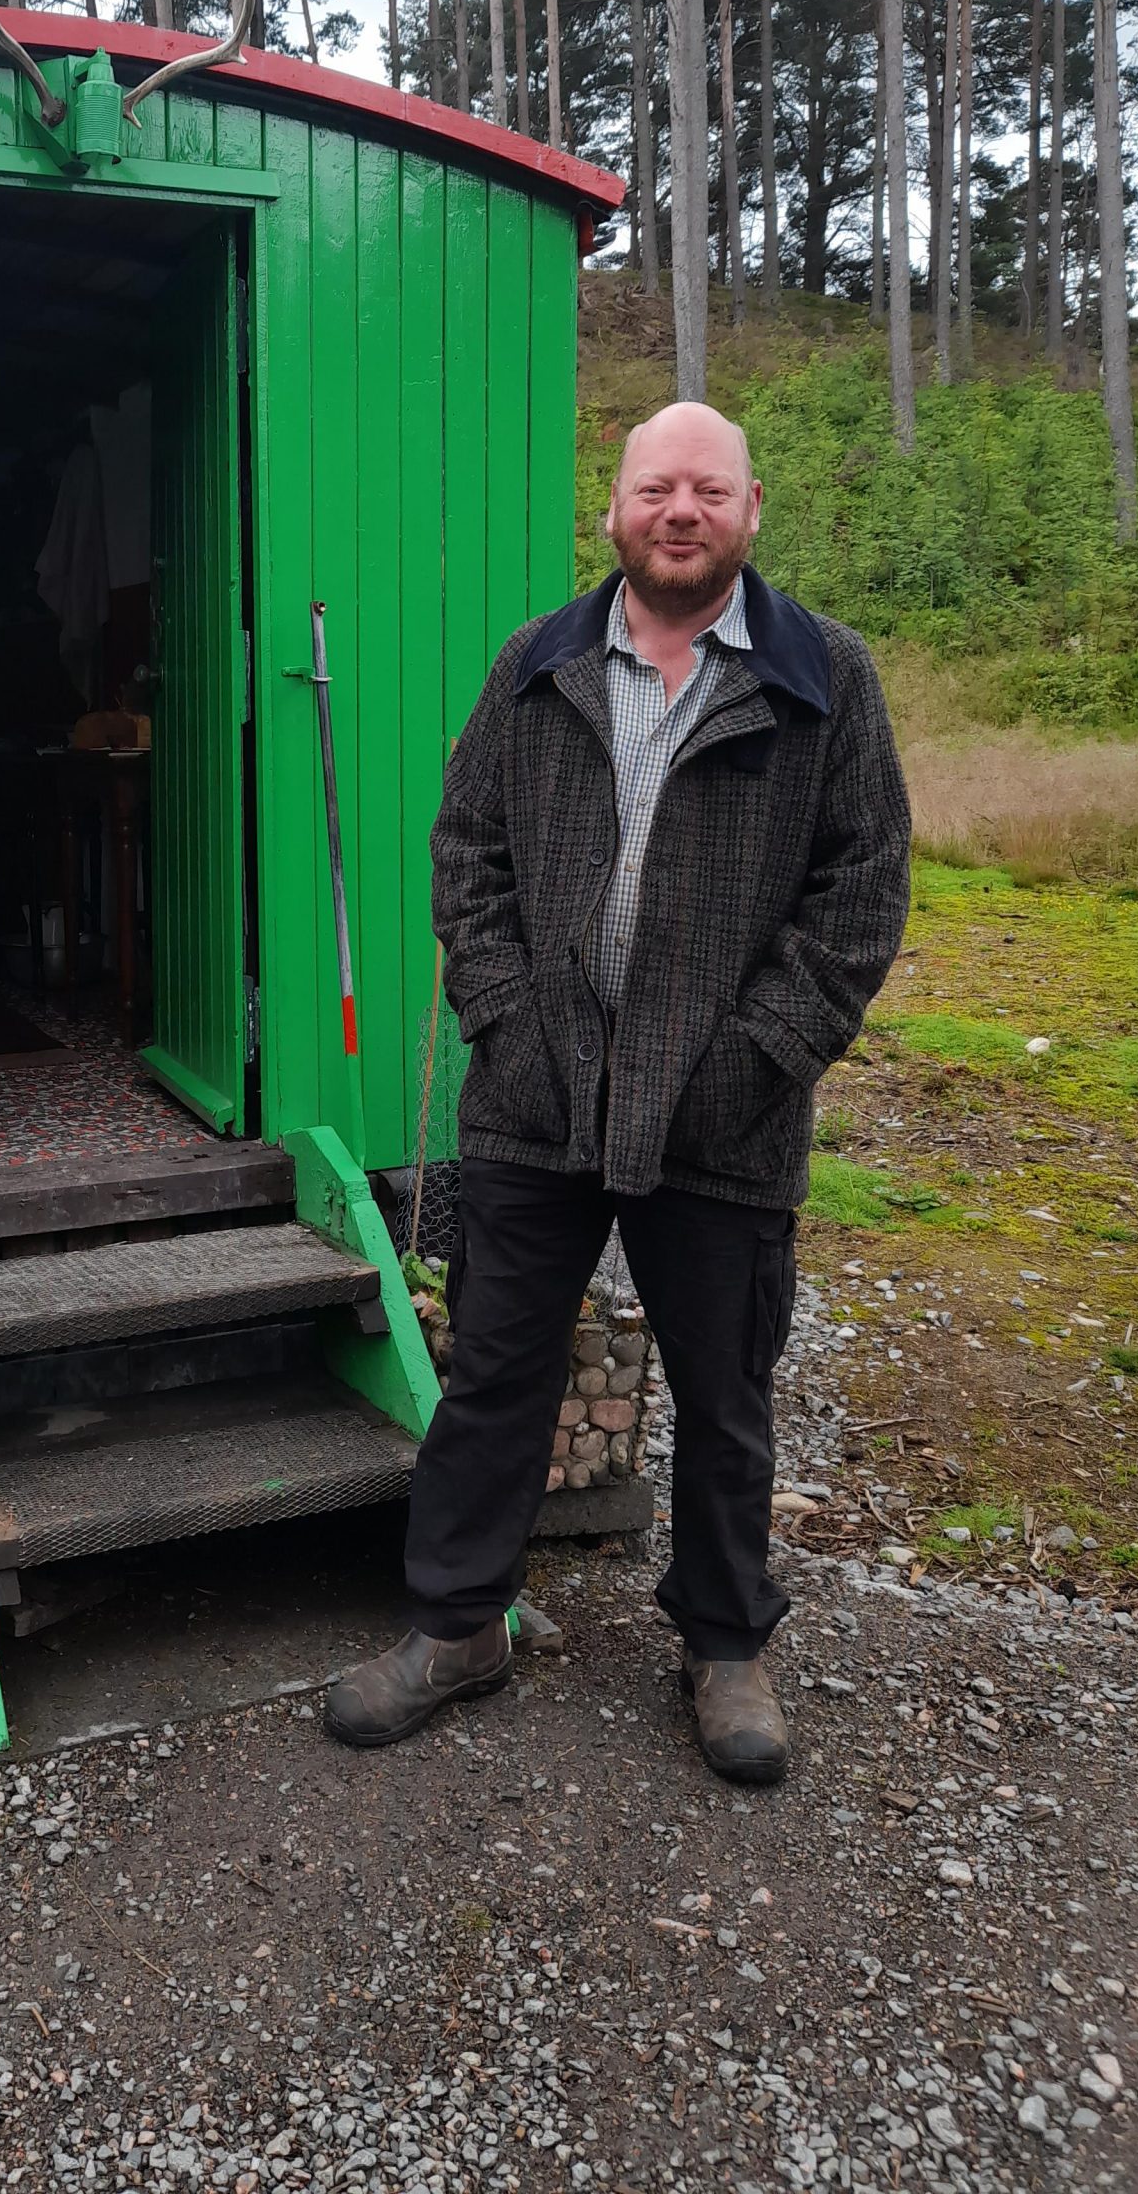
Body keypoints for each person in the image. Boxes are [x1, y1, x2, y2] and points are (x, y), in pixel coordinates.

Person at [325, 401, 911, 1782]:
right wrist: (506, 1027)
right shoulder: (538, 665)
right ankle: (459, 1625)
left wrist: (753, 1064)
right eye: (657, 488)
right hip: (540, 1099)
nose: (681, 511)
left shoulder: (826, 676)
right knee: (498, 1374)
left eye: (709, 489)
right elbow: (467, 849)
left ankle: (724, 1644)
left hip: (726, 1115)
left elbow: (862, 894)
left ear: (751, 510)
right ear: (617, 511)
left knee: (725, 1390)